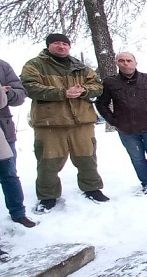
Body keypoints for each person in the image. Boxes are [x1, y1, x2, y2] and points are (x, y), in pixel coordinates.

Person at [20, 33, 109, 212]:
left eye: (65, 44)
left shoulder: (80, 67)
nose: (61, 47)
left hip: (81, 121)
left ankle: (92, 188)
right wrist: (63, 92)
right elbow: (29, 87)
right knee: (48, 162)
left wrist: (83, 90)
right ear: (48, 46)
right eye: (57, 43)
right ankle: (47, 196)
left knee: (87, 159)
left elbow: (98, 87)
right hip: (50, 123)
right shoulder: (35, 65)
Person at [96, 52, 147, 194]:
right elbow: (101, 104)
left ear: (135, 63)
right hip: (127, 130)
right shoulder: (110, 83)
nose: (126, 63)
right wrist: (113, 121)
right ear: (117, 63)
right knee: (137, 159)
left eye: (129, 60)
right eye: (122, 61)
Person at [0, 58, 35, 228]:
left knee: (9, 174)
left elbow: (20, 95)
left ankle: (18, 213)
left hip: (3, 131)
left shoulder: (2, 66)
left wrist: (6, 93)